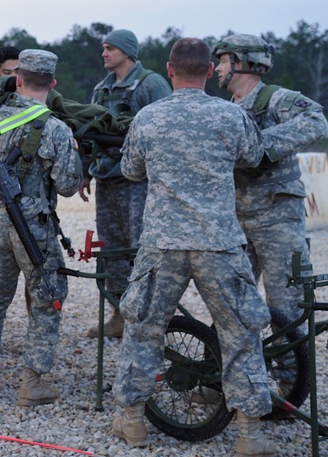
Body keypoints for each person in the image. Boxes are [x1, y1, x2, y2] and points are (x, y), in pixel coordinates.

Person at [112, 38, 275, 456]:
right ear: (207, 72)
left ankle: (132, 422)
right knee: (240, 333)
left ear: (169, 71)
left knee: (144, 328)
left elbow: (130, 171)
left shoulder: (148, 118)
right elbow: (253, 157)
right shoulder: (231, 115)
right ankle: (249, 434)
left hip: (163, 243)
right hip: (218, 242)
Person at [0, 49, 83, 407]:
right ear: (52, 83)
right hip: (33, 226)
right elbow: (66, 185)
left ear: (18, 79)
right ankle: (31, 383)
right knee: (47, 299)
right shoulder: (56, 128)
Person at [213, 34, 328, 326]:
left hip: (277, 217)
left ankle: (292, 372)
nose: (217, 69)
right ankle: (244, 368)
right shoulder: (227, 110)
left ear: (243, 63)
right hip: (236, 220)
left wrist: (260, 146)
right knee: (233, 302)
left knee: (287, 304)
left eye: (224, 61)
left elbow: (317, 122)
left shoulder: (276, 98)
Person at [79, 29, 171, 339]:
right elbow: (90, 132)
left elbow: (166, 132)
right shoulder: (102, 89)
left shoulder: (152, 84)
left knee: (141, 250)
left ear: (127, 52)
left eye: (109, 48)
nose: (104, 54)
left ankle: (146, 321)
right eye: (103, 48)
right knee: (113, 251)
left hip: (139, 183)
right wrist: (84, 172)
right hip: (108, 181)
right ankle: (119, 315)